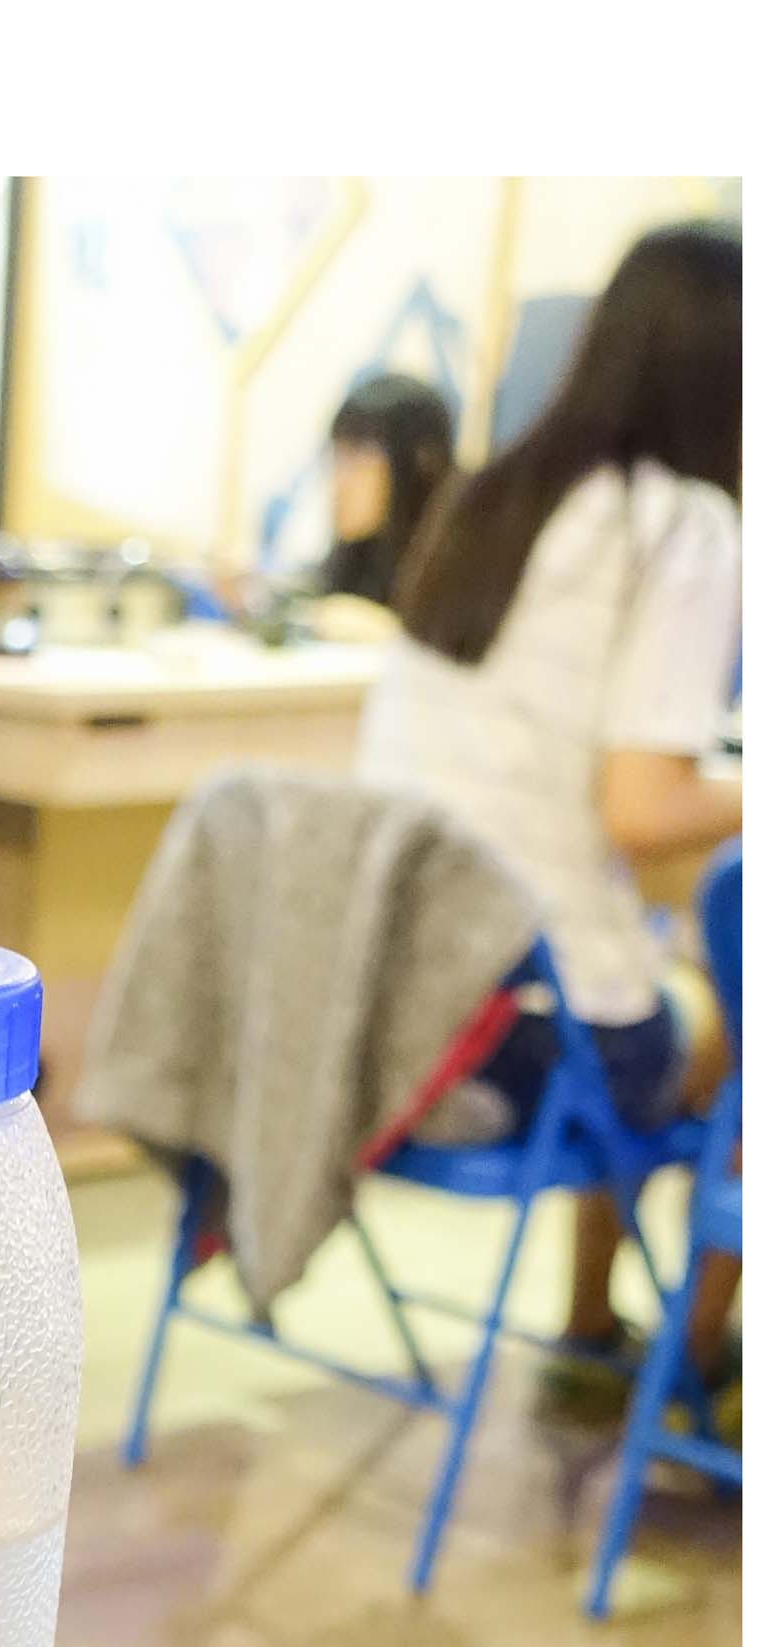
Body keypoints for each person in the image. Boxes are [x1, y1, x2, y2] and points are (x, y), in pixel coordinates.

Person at [357, 220, 742, 1402]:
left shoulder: (496, 493)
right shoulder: (678, 526)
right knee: (727, 1015)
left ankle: (586, 1325)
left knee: (636, 956)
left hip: (389, 1005)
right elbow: (639, 808)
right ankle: (690, 1363)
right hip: (515, 1041)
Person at [316, 371, 456, 613]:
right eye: (337, 456)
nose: (339, 482)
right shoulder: (357, 556)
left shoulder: (457, 570)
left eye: (357, 457)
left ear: (418, 466)